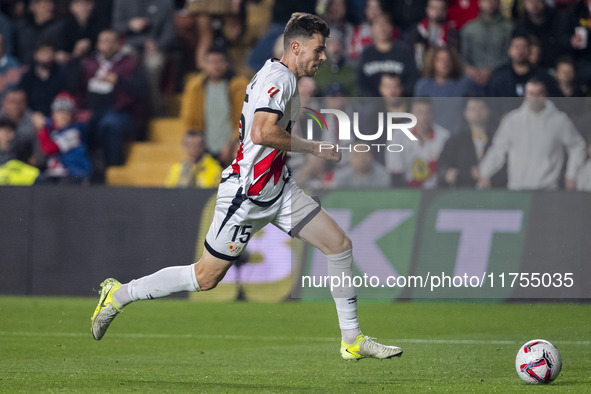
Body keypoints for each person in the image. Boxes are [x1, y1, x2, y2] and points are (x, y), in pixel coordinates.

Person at [91, 12, 403, 361]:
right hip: (247, 194)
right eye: (318, 50)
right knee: (204, 277)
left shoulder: (279, 73)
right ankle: (119, 295)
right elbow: (262, 133)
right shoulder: (280, 78)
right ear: (296, 48)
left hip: (278, 190)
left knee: (339, 245)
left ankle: (352, 340)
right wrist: (316, 147)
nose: (324, 57)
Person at [478, 78, 586, 190]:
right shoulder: (512, 120)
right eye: (531, 93)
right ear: (525, 95)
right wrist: (485, 173)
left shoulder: (560, 120)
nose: (535, 98)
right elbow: (498, 150)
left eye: (539, 93)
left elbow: (577, 146)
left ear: (545, 94)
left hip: (548, 189)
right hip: (516, 189)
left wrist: (571, 175)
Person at [71, 29, 148, 173]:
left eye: (112, 41)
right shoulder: (88, 63)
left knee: (109, 125)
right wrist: (75, 58)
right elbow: (73, 86)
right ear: (98, 45)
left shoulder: (130, 63)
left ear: (119, 44)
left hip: (121, 112)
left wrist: (119, 80)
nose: (108, 45)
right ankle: (81, 174)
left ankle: (113, 173)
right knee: (78, 127)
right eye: (104, 41)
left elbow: (142, 90)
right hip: (90, 111)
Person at [180, 47, 249, 159]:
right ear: (204, 64)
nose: (216, 66)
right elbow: (190, 120)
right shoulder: (195, 87)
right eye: (212, 62)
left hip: (232, 144)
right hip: (203, 144)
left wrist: (232, 142)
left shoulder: (238, 86)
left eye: (220, 61)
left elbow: (244, 119)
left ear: (227, 63)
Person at [111, 0, 176, 114]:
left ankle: (154, 108)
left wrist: (158, 44)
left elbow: (169, 33)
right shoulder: (122, 2)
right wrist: (129, 25)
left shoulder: (165, 3)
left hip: (155, 46)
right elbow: (115, 26)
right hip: (130, 44)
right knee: (125, 60)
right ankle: (127, 106)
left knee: (153, 65)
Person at [438, 97, 506, 188]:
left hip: (494, 192)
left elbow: (507, 165)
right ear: (466, 113)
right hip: (463, 192)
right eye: (473, 109)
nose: (477, 112)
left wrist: (490, 177)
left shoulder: (499, 138)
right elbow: (443, 164)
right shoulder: (455, 140)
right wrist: (448, 173)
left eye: (481, 108)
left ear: (488, 111)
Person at [386, 97, 450, 188]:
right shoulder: (397, 135)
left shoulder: (445, 137)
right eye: (419, 112)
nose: (424, 117)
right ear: (412, 114)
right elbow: (395, 173)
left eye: (428, 112)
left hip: (437, 192)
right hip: (407, 192)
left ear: (433, 114)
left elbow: (447, 173)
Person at [33, 92, 92, 183]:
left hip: (75, 174)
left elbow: (48, 148)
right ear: (54, 115)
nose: (63, 116)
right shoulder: (53, 131)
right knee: (36, 180)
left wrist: (41, 128)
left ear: (72, 117)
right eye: (60, 113)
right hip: (57, 174)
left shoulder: (74, 132)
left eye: (67, 113)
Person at [356, 13, 418, 97]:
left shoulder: (403, 51)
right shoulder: (366, 53)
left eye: (385, 24)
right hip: (373, 105)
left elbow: (412, 78)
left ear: (391, 27)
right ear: (372, 29)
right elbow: (361, 83)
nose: (382, 28)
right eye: (378, 24)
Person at [461, 0, 513, 87]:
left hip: (501, 76)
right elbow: (463, 56)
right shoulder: (469, 28)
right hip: (473, 77)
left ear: (499, 3)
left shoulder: (509, 28)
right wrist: (470, 70)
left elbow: (509, 56)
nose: (490, 3)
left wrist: (491, 71)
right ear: (479, 3)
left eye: (493, 0)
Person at [17, 40, 67, 117]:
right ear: (35, 55)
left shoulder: (61, 75)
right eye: (43, 51)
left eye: (50, 51)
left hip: (56, 117)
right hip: (31, 118)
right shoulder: (28, 77)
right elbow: (22, 101)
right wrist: (32, 115)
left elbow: (65, 98)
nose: (47, 55)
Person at [409, 0, 460, 70]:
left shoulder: (452, 32)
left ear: (446, 11)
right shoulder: (417, 31)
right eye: (434, 8)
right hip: (421, 70)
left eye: (441, 9)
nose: (438, 12)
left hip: (445, 71)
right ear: (427, 10)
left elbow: (454, 55)